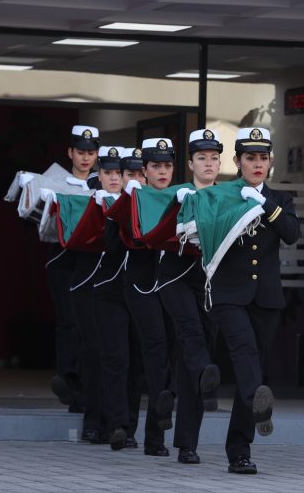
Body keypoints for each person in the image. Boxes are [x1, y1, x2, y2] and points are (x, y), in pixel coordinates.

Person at [208, 127, 300, 474]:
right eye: (250, 158)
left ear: (271, 161)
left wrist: (265, 204)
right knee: (246, 356)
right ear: (237, 161)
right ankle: (256, 407)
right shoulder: (221, 196)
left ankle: (239, 451)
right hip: (229, 294)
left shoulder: (281, 199)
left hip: (266, 297)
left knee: (254, 369)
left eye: (263, 158)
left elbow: (291, 233)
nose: (258, 164)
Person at [156, 129, 223, 464]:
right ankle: (204, 378)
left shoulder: (228, 197)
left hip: (209, 280)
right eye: (201, 158)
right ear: (191, 163)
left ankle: (187, 444)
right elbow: (150, 228)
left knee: (193, 358)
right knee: (192, 338)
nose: (208, 163)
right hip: (174, 275)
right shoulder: (176, 194)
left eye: (214, 158)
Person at [118, 138, 176, 457]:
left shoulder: (181, 197)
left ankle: (155, 434)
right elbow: (112, 242)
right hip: (140, 283)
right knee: (152, 352)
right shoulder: (133, 199)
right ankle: (136, 429)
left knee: (165, 356)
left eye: (167, 165)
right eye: (156, 166)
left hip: (173, 284)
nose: (162, 171)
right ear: (145, 170)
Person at [91, 146, 145, 451]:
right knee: (116, 358)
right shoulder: (115, 206)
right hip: (110, 291)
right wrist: (125, 210)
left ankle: (131, 427)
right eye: (129, 174)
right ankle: (116, 425)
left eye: (139, 173)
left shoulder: (155, 204)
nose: (135, 178)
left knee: (137, 361)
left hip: (141, 292)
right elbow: (111, 245)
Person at [48, 124, 99, 412]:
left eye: (90, 153)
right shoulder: (53, 181)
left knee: (88, 322)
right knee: (68, 319)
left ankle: (83, 388)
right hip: (61, 256)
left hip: (91, 258)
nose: (85, 158)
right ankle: (68, 378)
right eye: (80, 152)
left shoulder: (103, 182)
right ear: (70, 152)